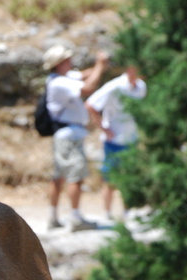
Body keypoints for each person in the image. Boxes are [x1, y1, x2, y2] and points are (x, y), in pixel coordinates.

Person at [42, 44, 109, 231]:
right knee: (75, 175)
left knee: (60, 176)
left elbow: (83, 75)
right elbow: (87, 87)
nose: (71, 62)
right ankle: (76, 218)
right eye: (67, 60)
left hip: (64, 135)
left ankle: (53, 217)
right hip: (70, 135)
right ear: (60, 63)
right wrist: (101, 66)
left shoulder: (61, 78)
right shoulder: (60, 83)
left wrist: (96, 67)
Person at [85, 65, 147, 222]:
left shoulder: (141, 87)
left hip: (131, 139)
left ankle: (128, 211)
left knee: (130, 177)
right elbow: (90, 104)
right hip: (114, 141)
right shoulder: (114, 86)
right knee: (111, 179)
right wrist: (104, 129)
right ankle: (107, 213)